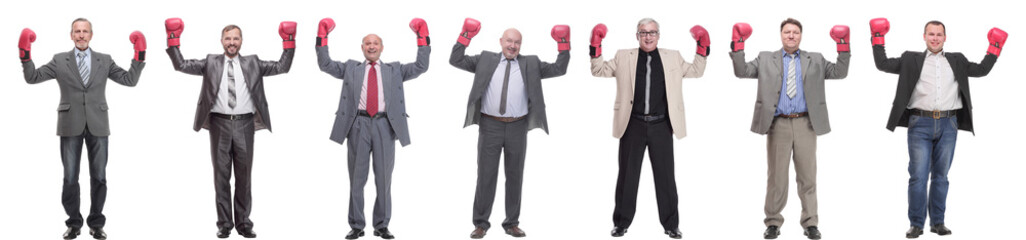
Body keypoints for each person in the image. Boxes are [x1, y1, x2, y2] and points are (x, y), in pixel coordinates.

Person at [869, 18, 1006, 238]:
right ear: (924, 37)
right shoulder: (910, 59)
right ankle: (916, 224)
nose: (935, 38)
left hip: (948, 124)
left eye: (939, 34)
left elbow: (981, 70)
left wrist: (995, 47)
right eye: (931, 34)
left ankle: (938, 222)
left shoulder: (957, 60)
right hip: (919, 123)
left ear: (945, 37)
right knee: (918, 177)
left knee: (941, 176)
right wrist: (877, 38)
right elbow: (882, 64)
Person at [165, 18, 296, 239]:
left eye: (236, 38)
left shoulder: (253, 62)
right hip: (219, 124)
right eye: (228, 38)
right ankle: (225, 224)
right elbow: (181, 65)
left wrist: (289, 41)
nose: (232, 42)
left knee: (244, 177)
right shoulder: (210, 62)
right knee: (221, 176)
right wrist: (173, 39)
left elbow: (282, 67)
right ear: (221, 41)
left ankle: (244, 223)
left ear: (241, 41)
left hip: (245, 123)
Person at [20, 18, 145, 240]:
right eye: (77, 31)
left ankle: (96, 223)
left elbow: (130, 80)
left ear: (91, 35)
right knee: (70, 178)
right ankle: (74, 224)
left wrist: (139, 54)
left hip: (99, 124)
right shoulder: (60, 60)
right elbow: (32, 77)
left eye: (85, 31)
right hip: (70, 124)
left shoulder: (104, 60)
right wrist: (25, 53)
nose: (81, 35)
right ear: (71, 35)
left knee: (99, 177)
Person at [728, 18, 850, 240]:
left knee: (808, 177)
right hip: (778, 125)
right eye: (787, 32)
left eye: (795, 32)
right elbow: (742, 71)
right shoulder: (766, 58)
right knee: (777, 178)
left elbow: (839, 73)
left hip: (806, 123)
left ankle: (811, 223)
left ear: (801, 35)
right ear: (781, 35)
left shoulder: (816, 59)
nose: (791, 35)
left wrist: (843, 45)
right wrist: (738, 45)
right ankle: (773, 222)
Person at [448, 18, 569, 239]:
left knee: (515, 176)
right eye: (509, 41)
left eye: (517, 43)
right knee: (486, 176)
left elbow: (559, 68)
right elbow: (455, 59)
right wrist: (465, 36)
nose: (513, 46)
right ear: (501, 41)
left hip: (517, 127)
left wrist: (563, 44)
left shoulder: (531, 63)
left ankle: (511, 223)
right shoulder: (485, 59)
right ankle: (481, 224)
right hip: (490, 125)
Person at [590, 18, 707, 239]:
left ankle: (671, 225)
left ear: (659, 35)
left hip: (662, 124)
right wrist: (595, 45)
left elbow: (696, 71)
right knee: (627, 176)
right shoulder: (624, 56)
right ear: (637, 36)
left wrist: (702, 46)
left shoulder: (672, 56)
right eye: (643, 32)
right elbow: (598, 70)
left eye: (652, 32)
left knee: (665, 177)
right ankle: (621, 223)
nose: (648, 36)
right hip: (631, 123)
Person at [315, 17, 431, 240]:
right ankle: (357, 225)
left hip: (384, 125)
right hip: (357, 125)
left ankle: (381, 225)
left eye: (375, 43)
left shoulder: (394, 70)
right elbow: (325, 64)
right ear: (362, 48)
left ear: (381, 47)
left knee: (384, 179)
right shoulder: (351, 68)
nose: (371, 46)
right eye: (367, 43)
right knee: (357, 179)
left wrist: (422, 38)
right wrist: (322, 37)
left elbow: (421, 66)